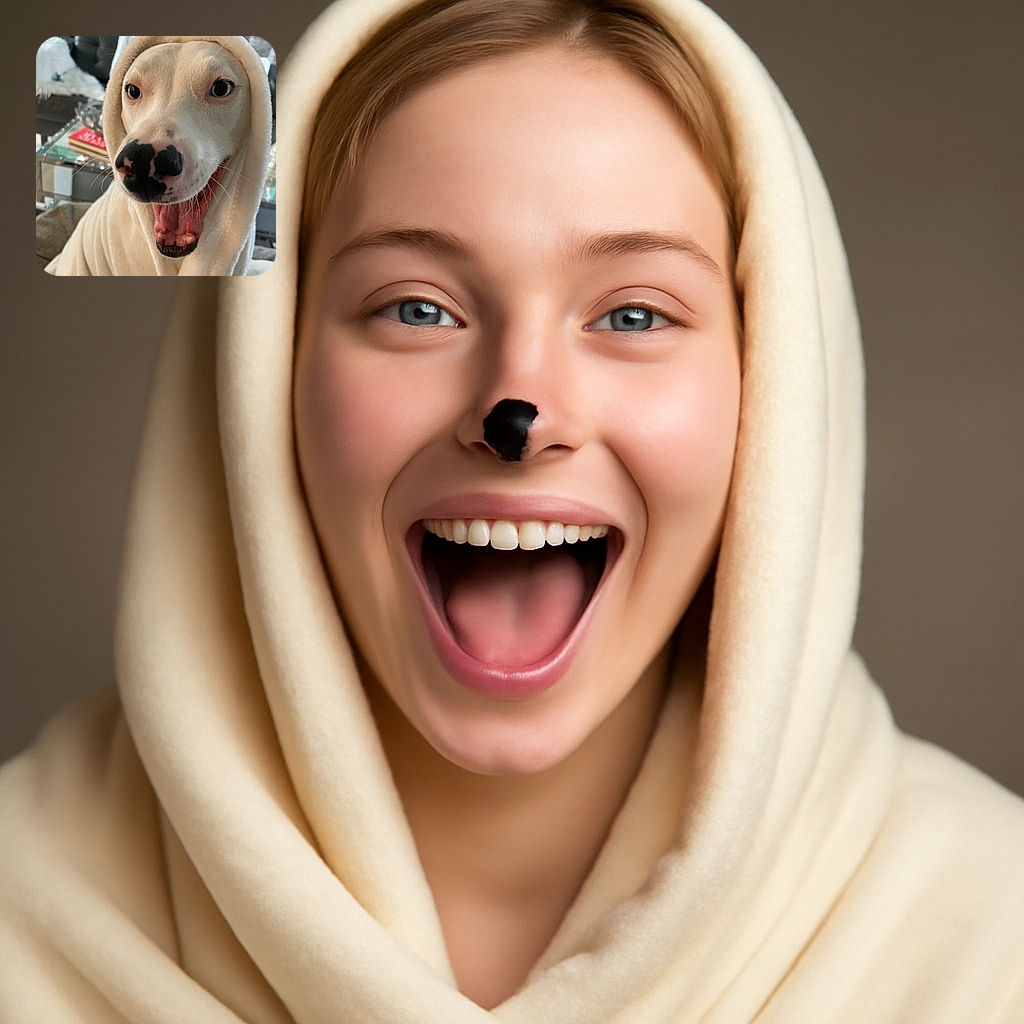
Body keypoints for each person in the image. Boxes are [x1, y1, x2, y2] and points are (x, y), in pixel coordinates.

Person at [2, 0, 1022, 1020]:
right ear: (258, 367)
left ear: (775, 381)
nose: (515, 411)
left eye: (633, 313)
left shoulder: (988, 940)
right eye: (415, 307)